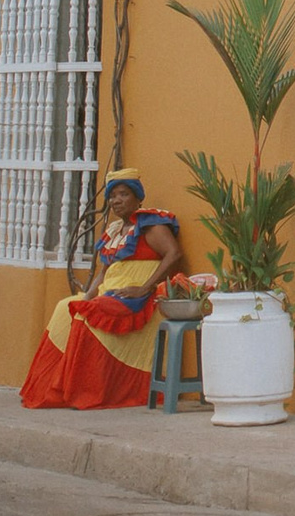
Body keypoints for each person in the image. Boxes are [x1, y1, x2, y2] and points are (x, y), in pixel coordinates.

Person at [19, 169, 184, 410]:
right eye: (112, 196)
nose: (116, 201)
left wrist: (144, 288)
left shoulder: (151, 224)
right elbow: (104, 271)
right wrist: (86, 296)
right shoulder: (115, 230)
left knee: (87, 313)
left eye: (123, 194)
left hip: (138, 298)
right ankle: (55, 387)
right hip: (111, 292)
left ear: (138, 197)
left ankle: (86, 390)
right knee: (65, 307)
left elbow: (174, 254)